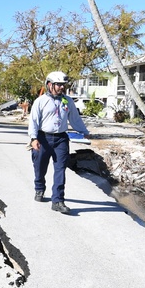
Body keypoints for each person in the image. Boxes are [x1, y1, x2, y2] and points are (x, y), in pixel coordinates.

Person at [28, 71, 90, 215]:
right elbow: (33, 121)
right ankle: (39, 188)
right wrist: (33, 138)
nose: (62, 88)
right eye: (59, 85)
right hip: (43, 138)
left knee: (60, 169)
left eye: (64, 85)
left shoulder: (67, 101)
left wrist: (84, 131)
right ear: (49, 85)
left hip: (61, 139)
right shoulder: (40, 101)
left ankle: (57, 201)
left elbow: (75, 119)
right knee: (40, 167)